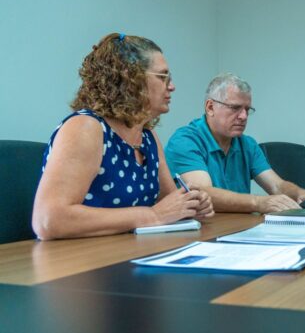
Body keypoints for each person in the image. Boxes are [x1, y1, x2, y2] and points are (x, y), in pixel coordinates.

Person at [32, 33, 214, 240]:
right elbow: (48, 220)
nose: (172, 86)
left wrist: (190, 205)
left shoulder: (148, 137)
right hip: (78, 256)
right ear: (131, 79)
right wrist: (152, 215)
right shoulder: (86, 127)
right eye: (163, 77)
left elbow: (169, 203)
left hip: (128, 251)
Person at [165, 73, 305, 213]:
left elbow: (277, 186)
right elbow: (204, 193)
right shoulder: (185, 141)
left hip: (238, 227)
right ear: (210, 107)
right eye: (235, 108)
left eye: (247, 110)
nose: (243, 116)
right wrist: (258, 202)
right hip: (203, 231)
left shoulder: (247, 144)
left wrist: (300, 193)